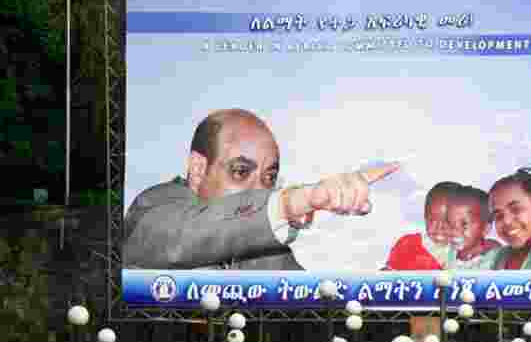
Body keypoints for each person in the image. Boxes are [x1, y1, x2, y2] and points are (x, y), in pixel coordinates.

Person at [123, 108, 399, 270]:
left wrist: (388, 286)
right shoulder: (154, 209)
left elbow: (310, 308)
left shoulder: (267, 250)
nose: (260, 191)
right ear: (198, 169)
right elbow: (183, 238)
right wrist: (293, 202)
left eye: (269, 177)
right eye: (241, 172)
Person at [384, 181, 462, 270]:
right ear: (425, 216)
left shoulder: (466, 252)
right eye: (432, 219)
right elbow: (387, 274)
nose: (439, 227)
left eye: (447, 221)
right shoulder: (407, 245)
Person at [447, 186, 502, 269]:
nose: (454, 231)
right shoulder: (448, 254)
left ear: (485, 229)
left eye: (464, 224)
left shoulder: (494, 259)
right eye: (449, 223)